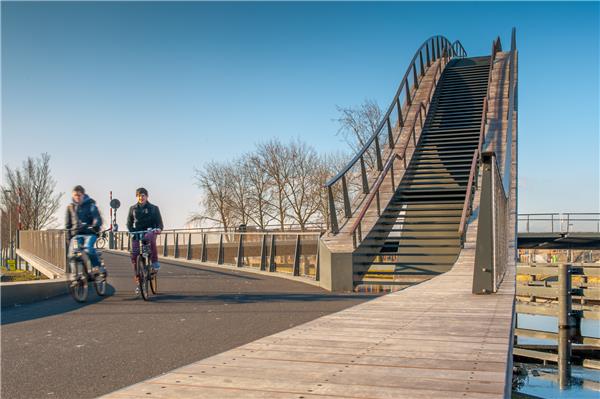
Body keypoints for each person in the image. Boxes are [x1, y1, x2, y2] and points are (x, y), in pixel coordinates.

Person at [127, 188, 163, 288]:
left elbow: (160, 223)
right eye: (139, 195)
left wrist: (159, 229)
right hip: (137, 232)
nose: (141, 197)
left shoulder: (154, 208)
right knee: (134, 254)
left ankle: (154, 262)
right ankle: (137, 276)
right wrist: (131, 231)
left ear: (147, 196)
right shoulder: (132, 208)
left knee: (149, 238)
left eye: (143, 195)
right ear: (136, 197)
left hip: (150, 231)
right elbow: (129, 223)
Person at [65, 185, 103, 274]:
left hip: (90, 234)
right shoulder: (70, 207)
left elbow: (96, 217)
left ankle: (97, 266)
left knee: (88, 249)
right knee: (73, 254)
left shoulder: (90, 205)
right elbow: (67, 224)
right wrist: (68, 235)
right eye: (75, 195)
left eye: (79, 195)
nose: (77, 197)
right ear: (73, 196)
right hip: (77, 235)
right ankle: (75, 275)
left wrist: (95, 225)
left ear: (83, 195)